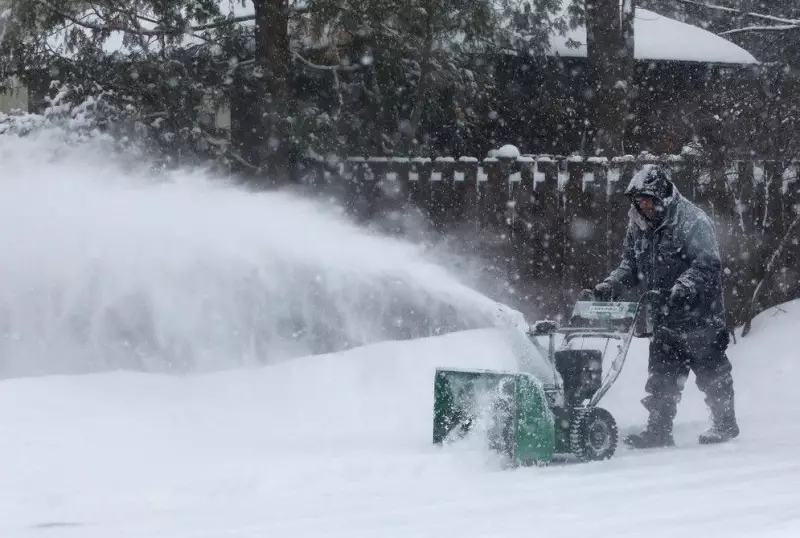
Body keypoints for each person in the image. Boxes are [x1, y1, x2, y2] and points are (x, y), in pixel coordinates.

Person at [594, 163, 739, 448]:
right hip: (663, 316)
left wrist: (683, 288)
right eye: (640, 200)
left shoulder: (693, 221)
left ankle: (725, 424)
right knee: (662, 376)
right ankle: (658, 430)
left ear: (662, 197)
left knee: (712, 374)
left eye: (649, 199)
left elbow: (708, 265)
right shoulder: (637, 225)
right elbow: (630, 264)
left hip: (700, 316)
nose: (644, 205)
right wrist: (612, 285)